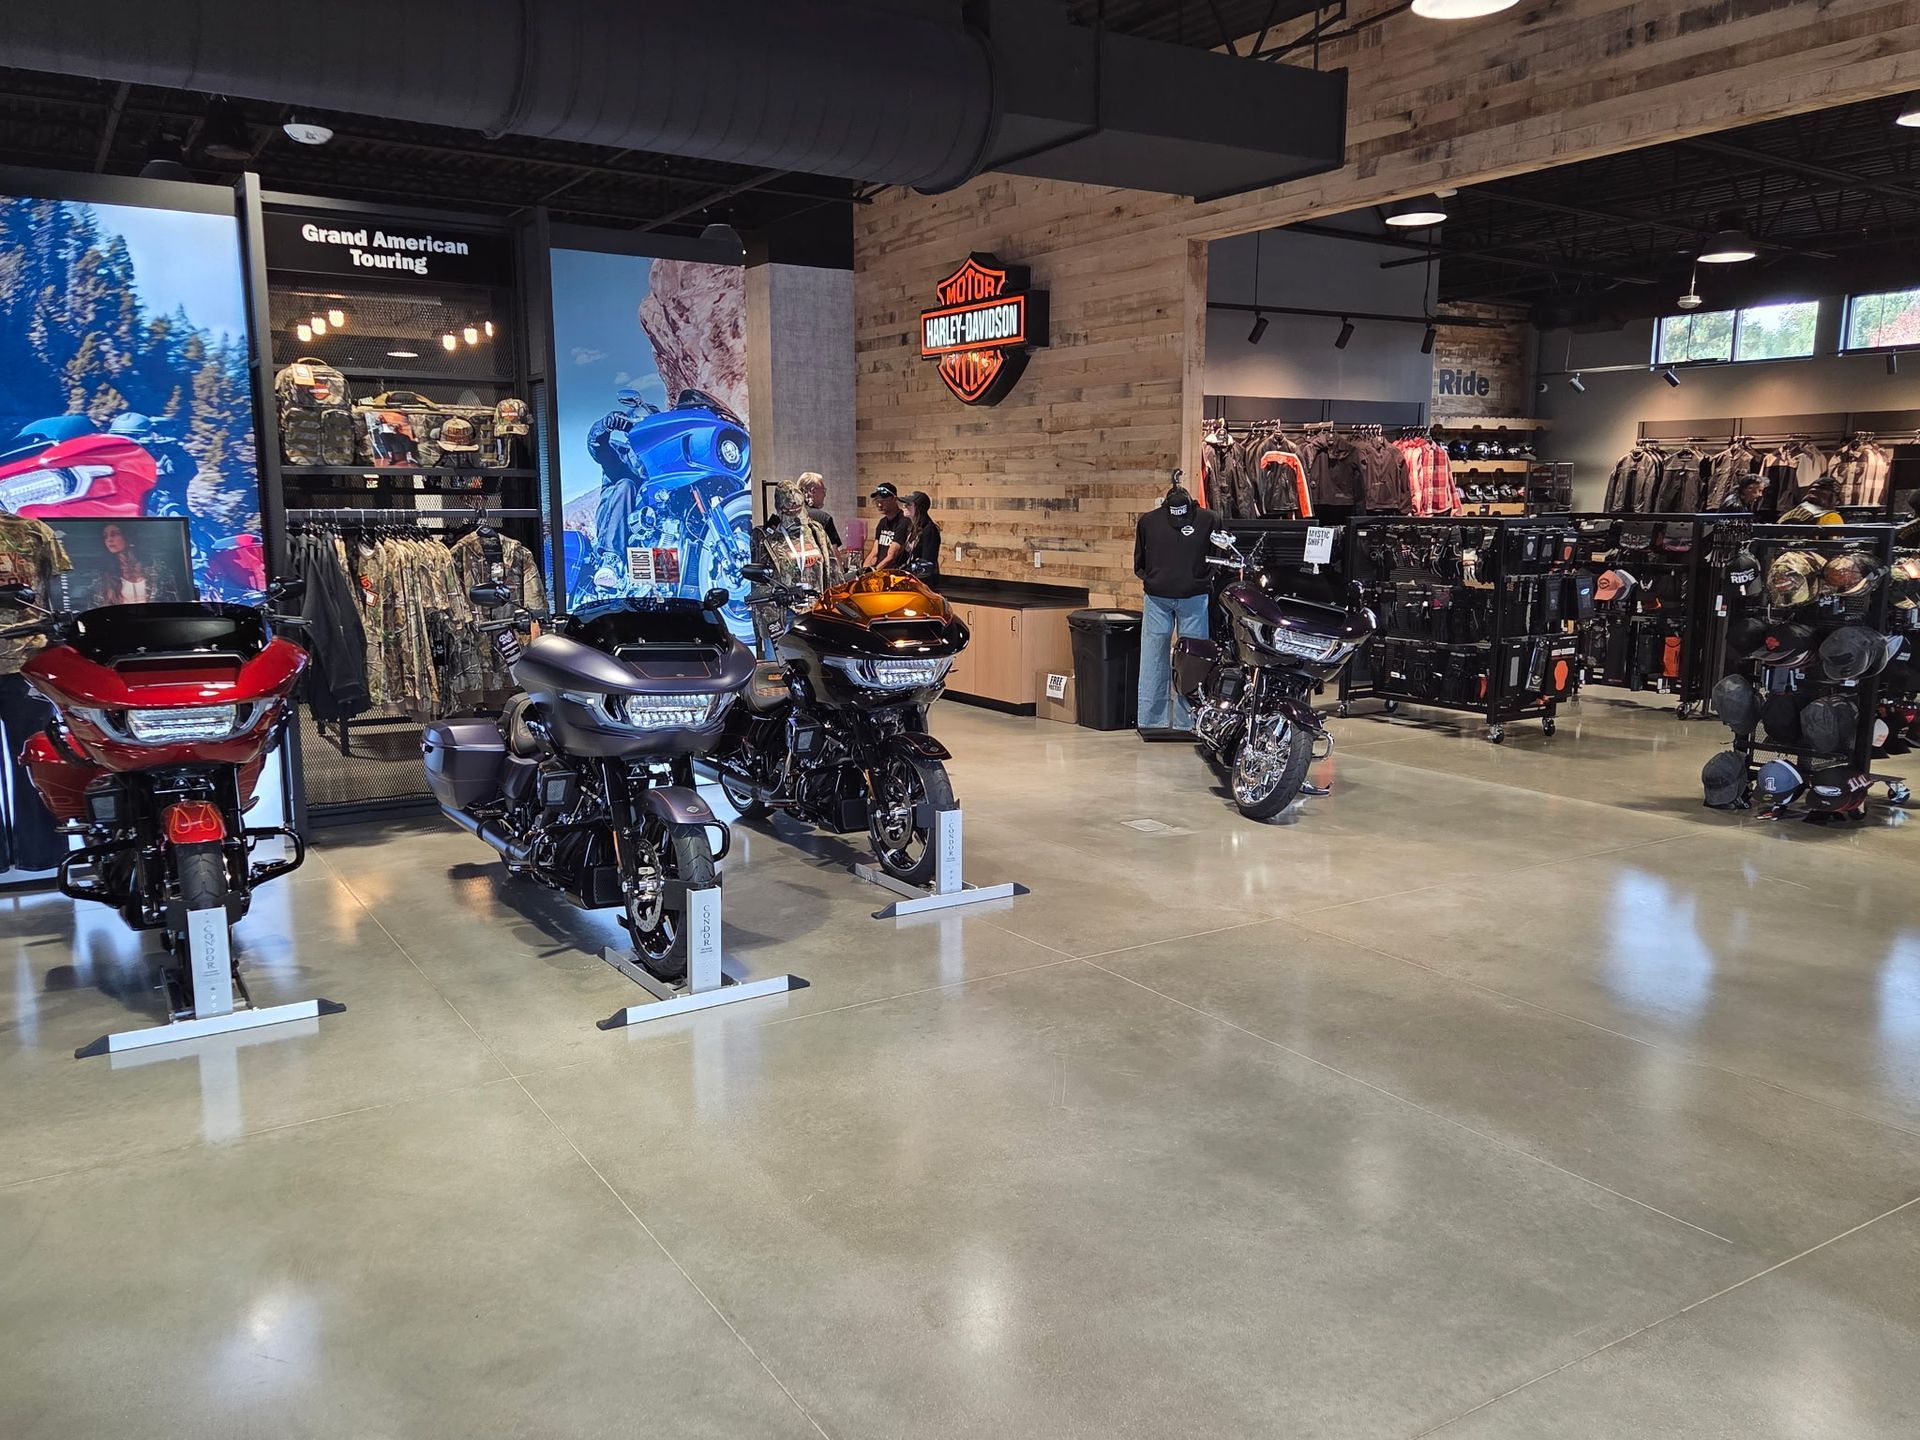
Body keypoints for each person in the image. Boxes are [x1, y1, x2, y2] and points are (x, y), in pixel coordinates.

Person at [1134, 479, 1219, 731]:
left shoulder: (1209, 519)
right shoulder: (1148, 521)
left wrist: (1202, 580)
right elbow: (1139, 560)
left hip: (1190, 596)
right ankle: (1157, 721)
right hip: (1162, 597)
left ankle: (1183, 720)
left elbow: (1218, 555)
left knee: (1189, 660)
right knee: (1159, 658)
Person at [748, 478, 836, 655]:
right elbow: (757, 581)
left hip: (814, 611)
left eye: (798, 507)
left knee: (815, 663)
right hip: (780, 613)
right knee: (779, 665)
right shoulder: (765, 537)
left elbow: (832, 570)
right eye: (790, 508)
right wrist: (774, 594)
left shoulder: (816, 531)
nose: (795, 512)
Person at [587, 387, 652, 573]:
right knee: (626, 485)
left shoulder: (661, 462)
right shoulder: (619, 452)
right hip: (617, 525)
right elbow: (597, 446)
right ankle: (611, 560)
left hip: (648, 528)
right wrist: (604, 426)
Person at [87, 522, 178, 608]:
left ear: (127, 536)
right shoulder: (103, 575)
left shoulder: (156, 567)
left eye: (115, 534)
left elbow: (172, 600)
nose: (109, 539)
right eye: (105, 536)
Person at [864, 482, 910, 571]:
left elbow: (892, 555)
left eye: (883, 500)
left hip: (894, 573)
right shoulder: (882, 523)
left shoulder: (904, 521)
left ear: (894, 499)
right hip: (880, 571)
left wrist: (874, 572)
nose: (879, 505)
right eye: (877, 501)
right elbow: (874, 552)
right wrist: (863, 572)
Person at [904, 490, 941, 588]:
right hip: (912, 581)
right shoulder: (913, 528)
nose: (904, 506)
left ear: (918, 508)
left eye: (908, 504)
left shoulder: (929, 530)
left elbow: (926, 563)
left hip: (923, 585)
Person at [799, 472, 842, 549]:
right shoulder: (823, 519)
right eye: (823, 490)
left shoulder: (786, 516)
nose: (824, 495)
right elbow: (834, 553)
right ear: (813, 491)